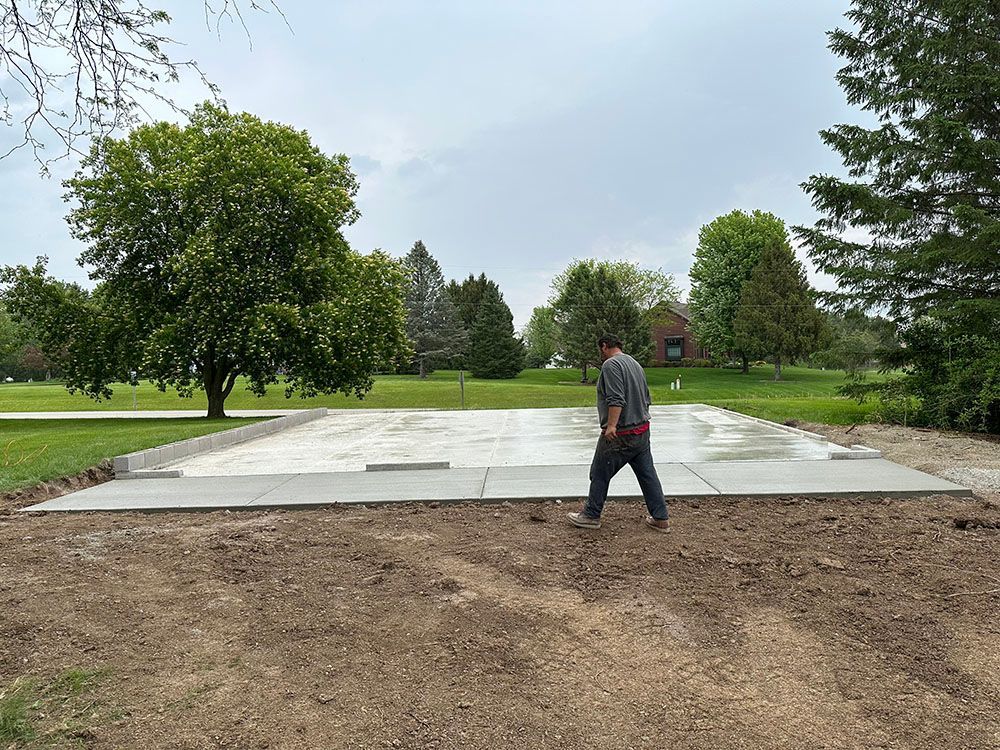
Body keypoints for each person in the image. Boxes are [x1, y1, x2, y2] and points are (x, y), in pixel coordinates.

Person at [568, 334, 670, 532]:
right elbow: (647, 397)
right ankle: (660, 518)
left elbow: (616, 399)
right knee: (647, 475)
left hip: (621, 434)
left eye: (601, 349)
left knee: (599, 473)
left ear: (605, 346)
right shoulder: (634, 364)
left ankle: (591, 515)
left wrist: (612, 426)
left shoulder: (611, 365)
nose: (601, 354)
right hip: (642, 431)